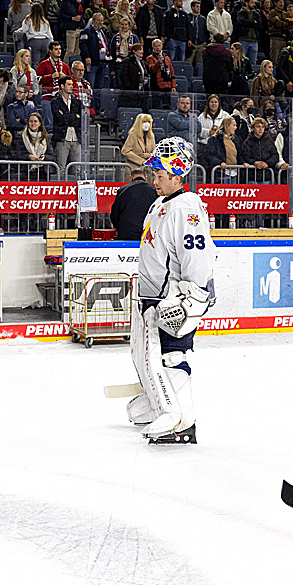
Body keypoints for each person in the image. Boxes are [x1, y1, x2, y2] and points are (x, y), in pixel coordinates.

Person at [125, 136, 214, 444]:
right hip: (154, 296)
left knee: (174, 356)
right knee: (155, 357)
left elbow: (197, 256)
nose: (154, 179)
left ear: (177, 176)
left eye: (160, 174)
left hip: (172, 298)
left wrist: (194, 295)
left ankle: (182, 421)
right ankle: (161, 406)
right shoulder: (161, 203)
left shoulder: (186, 208)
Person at [110, 169, 158, 240]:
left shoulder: (123, 190)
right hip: (149, 233)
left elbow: (115, 213)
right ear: (145, 177)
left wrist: (120, 227)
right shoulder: (154, 190)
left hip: (127, 232)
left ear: (131, 177)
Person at [50, 77, 82, 169]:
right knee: (61, 168)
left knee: (77, 169)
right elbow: (59, 119)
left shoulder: (77, 102)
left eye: (72, 84)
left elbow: (81, 119)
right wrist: (74, 116)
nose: (71, 86)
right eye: (69, 84)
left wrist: (66, 116)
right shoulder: (55, 102)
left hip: (76, 138)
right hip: (62, 138)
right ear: (62, 86)